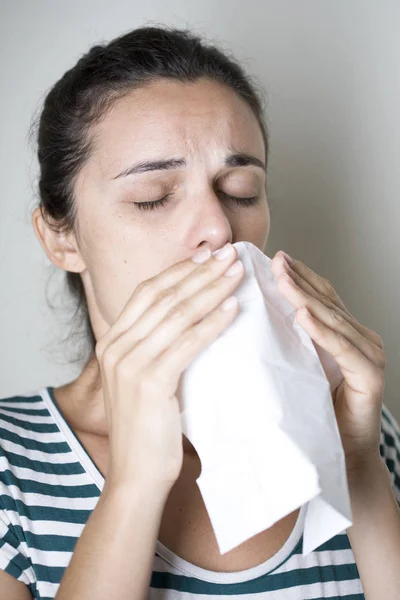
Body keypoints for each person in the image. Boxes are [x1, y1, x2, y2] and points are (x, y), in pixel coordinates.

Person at [0, 24, 399, 600]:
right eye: (153, 198)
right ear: (62, 238)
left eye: (240, 190)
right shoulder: (12, 468)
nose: (217, 228)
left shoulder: (353, 428)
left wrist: (358, 464)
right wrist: (134, 484)